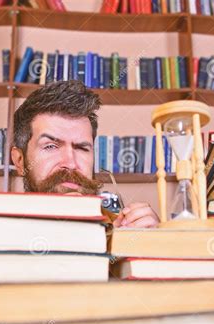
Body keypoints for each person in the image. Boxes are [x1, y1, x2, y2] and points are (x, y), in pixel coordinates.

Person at [11, 80, 160, 228]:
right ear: (19, 160)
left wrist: (151, 244)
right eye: (51, 146)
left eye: (81, 148)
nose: (71, 163)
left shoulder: (121, 229)